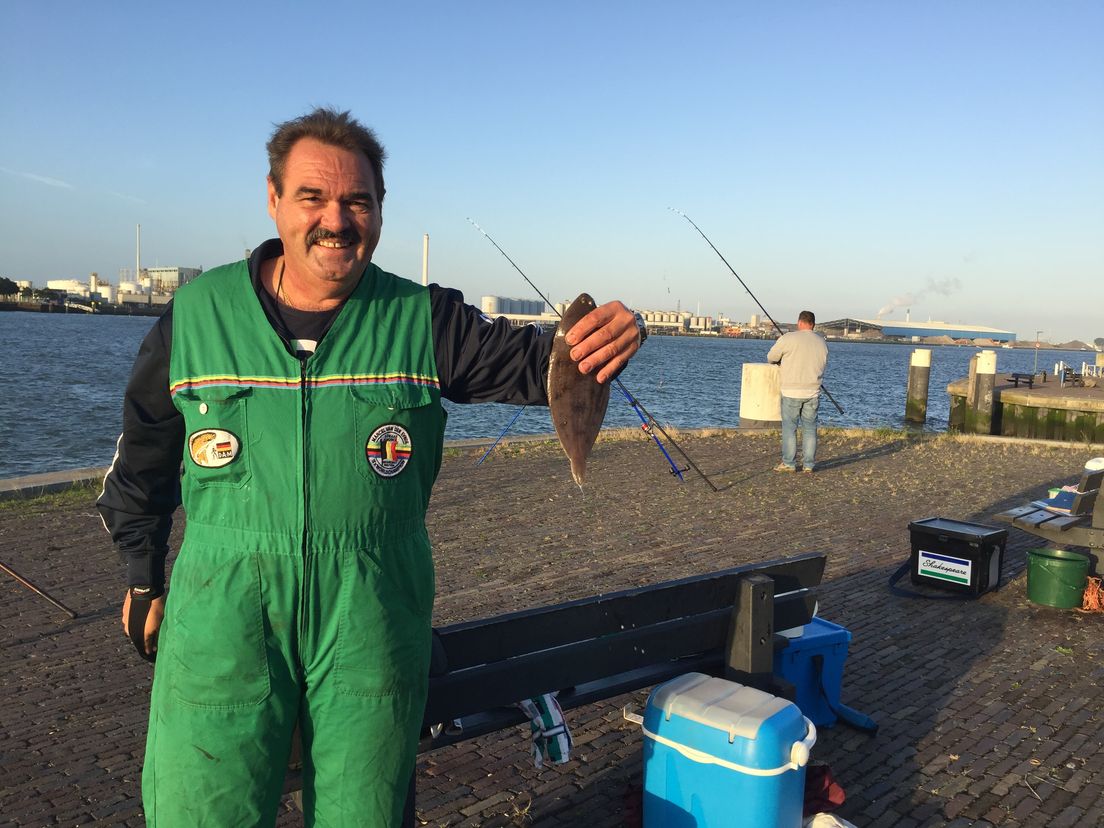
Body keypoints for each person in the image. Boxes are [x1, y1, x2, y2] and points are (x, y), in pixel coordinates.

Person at [96, 107, 645, 827]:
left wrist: (600, 339)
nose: (337, 220)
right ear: (272, 199)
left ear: (380, 210)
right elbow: (140, 463)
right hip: (220, 618)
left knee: (366, 813)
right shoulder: (195, 316)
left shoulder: (424, 319)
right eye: (313, 198)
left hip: (371, 620)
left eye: (358, 201)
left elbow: (536, 364)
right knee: (203, 808)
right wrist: (143, 578)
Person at [766, 310, 828, 473]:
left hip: (791, 391)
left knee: (790, 428)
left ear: (799, 322)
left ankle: (789, 463)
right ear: (813, 324)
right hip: (813, 391)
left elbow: (771, 357)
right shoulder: (821, 342)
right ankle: (808, 464)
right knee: (809, 429)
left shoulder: (788, 338)